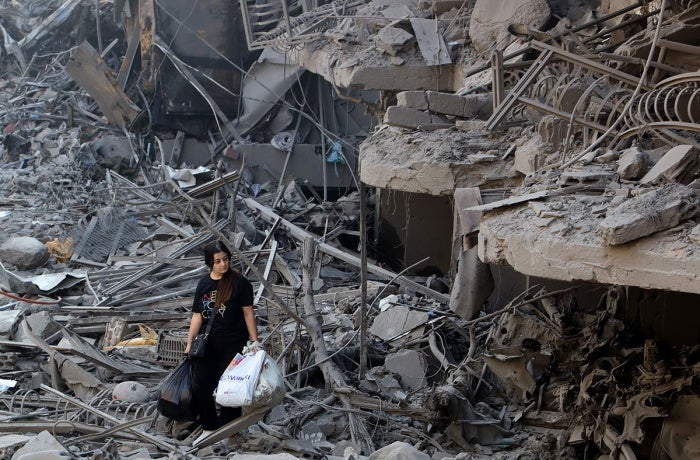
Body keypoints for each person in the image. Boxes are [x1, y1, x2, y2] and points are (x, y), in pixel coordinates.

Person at [185, 240, 259, 446]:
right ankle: (209, 428)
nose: (223, 264)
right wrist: (189, 342)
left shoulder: (241, 283)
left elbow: (248, 314)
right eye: (217, 261)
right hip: (207, 344)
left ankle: (229, 431)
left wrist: (255, 342)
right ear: (210, 262)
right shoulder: (203, 284)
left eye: (225, 259)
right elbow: (197, 316)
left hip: (233, 343)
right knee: (201, 385)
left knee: (230, 388)